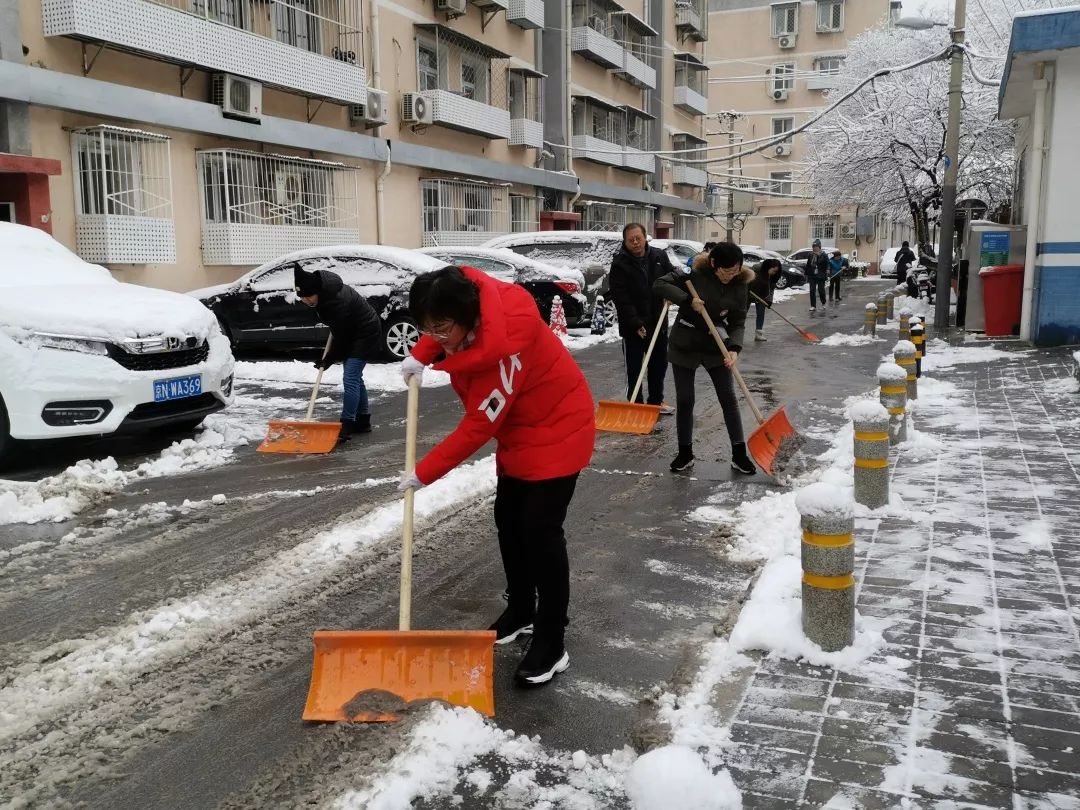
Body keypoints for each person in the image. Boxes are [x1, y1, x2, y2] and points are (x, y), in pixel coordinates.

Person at [398, 264, 595, 687]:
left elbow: (478, 424)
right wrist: (420, 355)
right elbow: (444, 331)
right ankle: (522, 608)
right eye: (426, 327)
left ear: (467, 316)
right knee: (508, 518)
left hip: (558, 427)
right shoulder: (473, 306)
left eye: (441, 328)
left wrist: (423, 472)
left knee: (540, 532)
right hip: (520, 432)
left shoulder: (504, 349)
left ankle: (552, 638)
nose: (434, 335)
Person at [653, 242, 756, 476]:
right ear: (713, 264)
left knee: (728, 398)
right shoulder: (695, 275)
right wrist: (687, 300)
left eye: (735, 270)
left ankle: (739, 454)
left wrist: (734, 348)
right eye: (725, 271)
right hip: (685, 344)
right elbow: (660, 284)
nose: (730, 275)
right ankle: (685, 453)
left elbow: (738, 321)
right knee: (686, 399)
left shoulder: (740, 286)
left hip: (715, 344)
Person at [293, 264, 381, 439]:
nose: (306, 301)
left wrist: (329, 359)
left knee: (350, 377)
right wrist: (329, 358)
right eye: (302, 297)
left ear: (317, 290)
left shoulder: (335, 301)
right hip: (352, 331)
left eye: (308, 296)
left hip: (365, 332)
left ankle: (347, 423)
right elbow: (340, 331)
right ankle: (363, 421)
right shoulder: (324, 294)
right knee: (355, 377)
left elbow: (343, 338)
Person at [608, 223, 673, 412]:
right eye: (631, 240)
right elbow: (621, 298)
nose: (635, 242)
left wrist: (672, 293)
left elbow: (672, 277)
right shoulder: (619, 264)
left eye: (638, 238)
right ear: (625, 242)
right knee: (635, 369)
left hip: (658, 321)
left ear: (645, 237)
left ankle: (655, 402)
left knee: (658, 366)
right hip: (633, 326)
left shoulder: (659, 256)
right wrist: (635, 322)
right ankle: (636, 404)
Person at [750, 258, 782, 341]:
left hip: (761, 296)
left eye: (776, 272)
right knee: (742, 314)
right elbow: (746, 280)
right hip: (749, 294)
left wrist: (769, 300)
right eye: (774, 270)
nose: (774, 273)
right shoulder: (756, 270)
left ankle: (758, 334)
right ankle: (735, 334)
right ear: (768, 267)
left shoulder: (773, 277)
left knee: (761, 313)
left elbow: (771, 289)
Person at [804, 239, 829, 313]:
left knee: (821, 290)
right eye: (813, 246)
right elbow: (808, 264)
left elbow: (827, 263)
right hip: (812, 275)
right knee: (812, 290)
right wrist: (806, 274)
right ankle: (813, 306)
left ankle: (823, 302)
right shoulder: (810, 255)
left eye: (816, 246)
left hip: (821, 275)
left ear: (819, 247)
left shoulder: (824, 255)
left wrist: (828, 270)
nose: (814, 248)